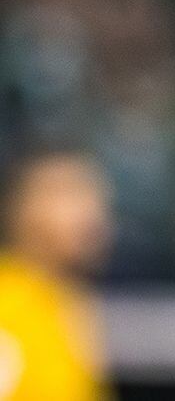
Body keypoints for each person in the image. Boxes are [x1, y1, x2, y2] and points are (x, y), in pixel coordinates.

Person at [0, 151, 113, 401]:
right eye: (67, 193)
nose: (89, 211)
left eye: (93, 193)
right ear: (20, 208)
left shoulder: (67, 302)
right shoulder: (7, 308)